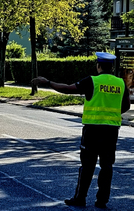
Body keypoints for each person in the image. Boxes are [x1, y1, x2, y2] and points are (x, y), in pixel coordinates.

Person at [31, 52, 131, 208]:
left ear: (98, 66)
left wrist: (48, 82)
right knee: (107, 166)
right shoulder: (121, 83)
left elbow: (67, 88)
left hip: (92, 130)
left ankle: (80, 198)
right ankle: (102, 201)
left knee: (87, 166)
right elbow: (126, 106)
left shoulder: (92, 81)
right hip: (111, 131)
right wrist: (112, 114)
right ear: (111, 68)